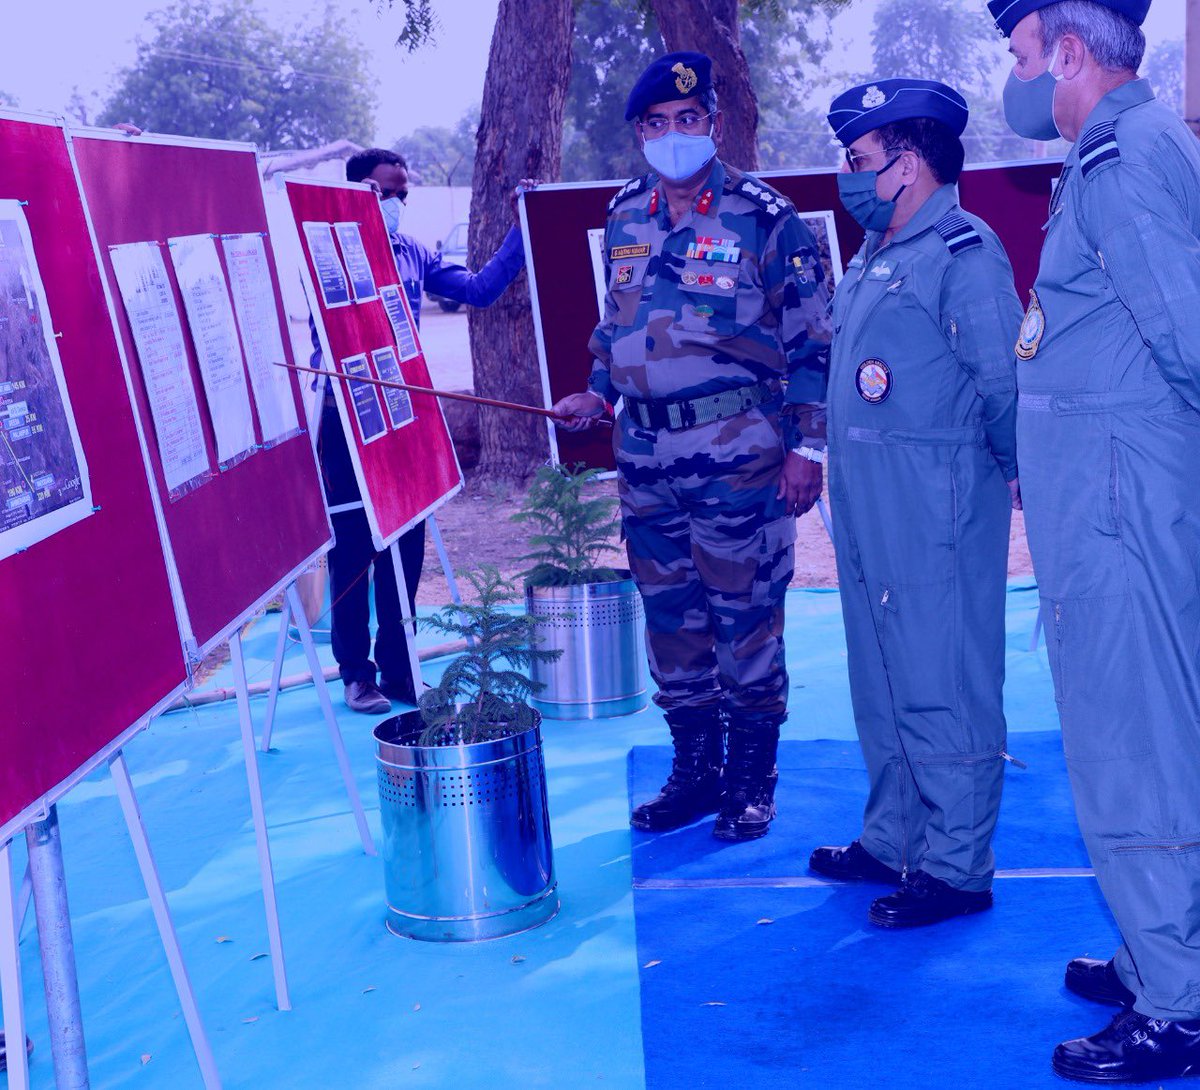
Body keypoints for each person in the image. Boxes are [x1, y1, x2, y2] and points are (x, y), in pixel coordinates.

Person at [992, 0, 1200, 1082]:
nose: (1016, 74)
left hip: (1122, 510)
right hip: (1113, 498)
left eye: (1021, 52)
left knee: (1136, 745)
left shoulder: (1121, 154)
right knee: (1150, 732)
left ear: (1070, 53)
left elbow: (1190, 333)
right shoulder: (1122, 149)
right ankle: (1159, 945)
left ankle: (1177, 1002)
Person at [554, 52, 831, 841]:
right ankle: (696, 771)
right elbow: (618, 326)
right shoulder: (625, 213)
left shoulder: (763, 215)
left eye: (688, 120)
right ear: (639, 133)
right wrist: (597, 392)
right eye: (656, 124)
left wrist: (808, 450)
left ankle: (750, 778)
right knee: (671, 616)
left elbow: (814, 342)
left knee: (744, 615)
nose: (673, 135)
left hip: (741, 451)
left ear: (711, 122)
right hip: (644, 455)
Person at [805, 80, 1023, 928]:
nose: (850, 178)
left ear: (908, 163)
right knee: (881, 676)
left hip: (935, 507)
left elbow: (1003, 381)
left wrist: (1017, 474)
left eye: (860, 161)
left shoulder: (963, 251)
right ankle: (894, 836)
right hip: (867, 502)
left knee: (945, 682)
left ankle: (959, 867)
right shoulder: (875, 251)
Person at [319, 149, 531, 713]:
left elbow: (481, 289)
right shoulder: (325, 252)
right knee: (354, 551)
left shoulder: (413, 253)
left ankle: (398, 670)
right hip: (345, 419)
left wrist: (519, 226)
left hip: (405, 417)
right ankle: (355, 674)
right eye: (384, 191)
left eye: (402, 193)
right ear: (357, 191)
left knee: (404, 550)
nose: (395, 203)